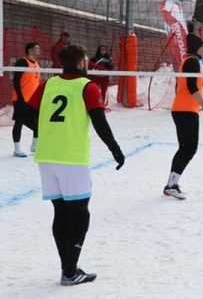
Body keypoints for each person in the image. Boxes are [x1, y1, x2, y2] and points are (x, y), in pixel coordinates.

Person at [25, 44, 124, 286]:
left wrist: (45, 131)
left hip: (46, 157)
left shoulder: (48, 84)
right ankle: (70, 272)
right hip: (71, 158)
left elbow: (24, 114)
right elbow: (100, 122)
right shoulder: (87, 86)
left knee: (61, 213)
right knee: (79, 214)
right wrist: (115, 149)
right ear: (81, 63)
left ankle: (67, 268)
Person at [164, 34, 203, 199]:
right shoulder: (192, 62)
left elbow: (184, 86)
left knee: (186, 148)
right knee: (189, 148)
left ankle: (172, 184)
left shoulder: (189, 61)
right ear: (198, 48)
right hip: (185, 110)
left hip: (183, 109)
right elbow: (192, 88)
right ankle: (171, 185)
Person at [11, 42, 41, 157]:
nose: (39, 51)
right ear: (30, 50)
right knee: (19, 123)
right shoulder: (22, 62)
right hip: (21, 99)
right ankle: (17, 149)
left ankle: (35, 146)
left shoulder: (37, 64)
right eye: (36, 49)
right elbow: (16, 81)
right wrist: (20, 97)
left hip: (33, 100)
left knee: (38, 122)